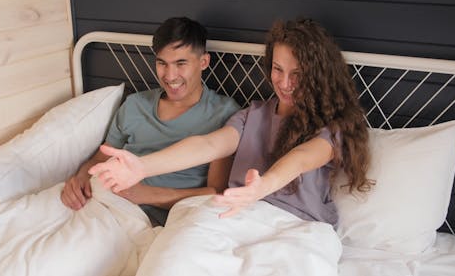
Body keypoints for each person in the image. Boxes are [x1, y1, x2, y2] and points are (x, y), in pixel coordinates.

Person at [89, 18, 373, 275]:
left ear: (317, 73)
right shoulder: (252, 115)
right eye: (277, 69)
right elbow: (209, 144)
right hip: (228, 215)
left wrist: (261, 187)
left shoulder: (334, 126)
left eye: (297, 73)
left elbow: (301, 158)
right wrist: (142, 166)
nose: (285, 83)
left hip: (297, 227)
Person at [61, 16, 239, 226]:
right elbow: (99, 159)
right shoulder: (135, 105)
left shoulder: (223, 114)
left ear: (203, 62)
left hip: (160, 219)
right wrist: (80, 177)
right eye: (162, 63)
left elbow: (216, 192)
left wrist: (146, 195)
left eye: (181, 63)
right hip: (104, 202)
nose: (170, 75)